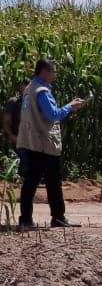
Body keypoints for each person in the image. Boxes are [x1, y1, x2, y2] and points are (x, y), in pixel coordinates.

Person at [16, 59, 84, 228]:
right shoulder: (42, 91)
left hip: (30, 142)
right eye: (53, 72)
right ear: (44, 72)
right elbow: (53, 114)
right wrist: (70, 106)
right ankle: (58, 217)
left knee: (30, 182)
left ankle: (25, 219)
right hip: (44, 144)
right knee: (53, 182)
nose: (55, 75)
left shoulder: (30, 88)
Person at [3, 79, 29, 173]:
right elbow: (6, 121)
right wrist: (12, 136)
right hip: (18, 140)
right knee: (24, 163)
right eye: (24, 86)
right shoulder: (14, 102)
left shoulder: (34, 103)